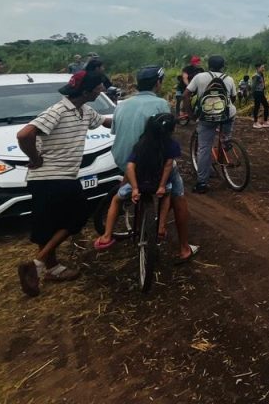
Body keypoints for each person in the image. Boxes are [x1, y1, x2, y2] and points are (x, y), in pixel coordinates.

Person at [15, 70, 113, 296]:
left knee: (48, 225)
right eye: (98, 88)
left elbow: (105, 122)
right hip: (52, 177)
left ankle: (52, 269)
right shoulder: (58, 111)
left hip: (57, 178)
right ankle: (39, 263)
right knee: (78, 215)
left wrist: (133, 121)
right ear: (86, 91)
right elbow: (24, 135)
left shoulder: (84, 111)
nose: (102, 91)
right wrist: (35, 158)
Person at [94, 66, 197, 262]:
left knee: (121, 193)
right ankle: (183, 247)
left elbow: (117, 132)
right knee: (177, 194)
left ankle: (106, 235)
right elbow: (166, 137)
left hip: (126, 161)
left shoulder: (122, 105)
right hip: (153, 162)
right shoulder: (160, 104)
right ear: (158, 83)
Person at [182, 55, 237, 194]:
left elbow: (186, 94)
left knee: (204, 148)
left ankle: (202, 183)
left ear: (208, 65)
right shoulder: (229, 79)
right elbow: (233, 98)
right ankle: (225, 144)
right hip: (226, 115)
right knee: (225, 136)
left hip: (206, 117)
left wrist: (191, 113)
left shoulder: (200, 77)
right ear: (223, 66)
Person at [251, 62, 269, 129]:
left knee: (266, 106)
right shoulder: (256, 76)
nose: (263, 68)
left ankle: (265, 122)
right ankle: (255, 122)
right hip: (257, 93)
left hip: (261, 92)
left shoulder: (261, 74)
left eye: (263, 67)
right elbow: (253, 86)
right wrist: (252, 95)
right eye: (262, 67)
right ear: (258, 68)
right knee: (257, 107)